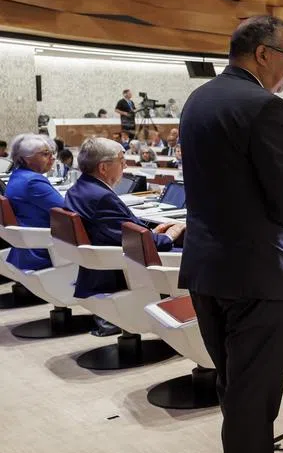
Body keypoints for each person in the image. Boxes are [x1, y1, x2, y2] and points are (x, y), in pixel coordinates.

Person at [178, 16, 283, 453]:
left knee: (234, 389)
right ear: (263, 54)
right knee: (255, 394)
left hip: (208, 268)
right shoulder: (265, 106)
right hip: (255, 272)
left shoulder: (200, 100)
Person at [65, 138, 184, 335]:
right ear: (103, 167)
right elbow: (136, 242)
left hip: (97, 270)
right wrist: (169, 236)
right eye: (122, 160)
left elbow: (114, 231)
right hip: (120, 273)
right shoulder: (101, 197)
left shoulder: (79, 189)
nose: (125, 165)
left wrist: (149, 232)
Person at [4, 134, 65, 271]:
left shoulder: (18, 175)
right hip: (42, 252)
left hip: (26, 249)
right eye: (45, 154)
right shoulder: (33, 182)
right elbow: (67, 211)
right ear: (26, 158)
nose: (53, 158)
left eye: (52, 153)